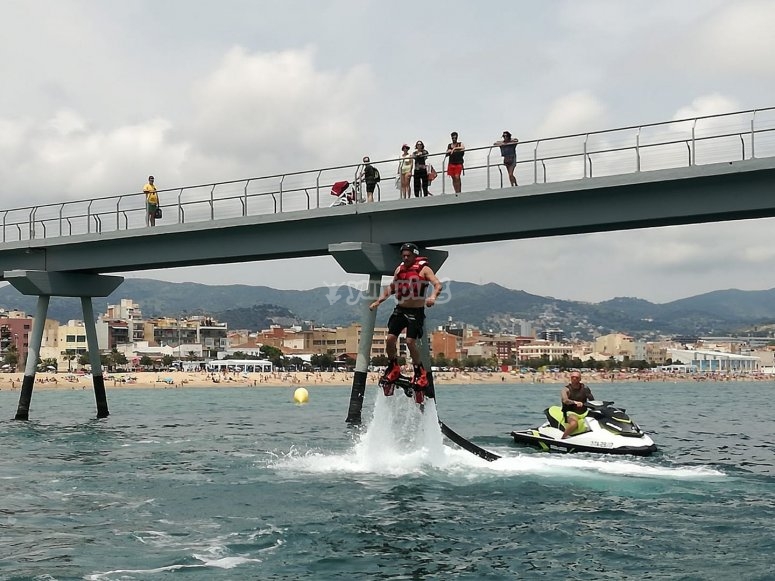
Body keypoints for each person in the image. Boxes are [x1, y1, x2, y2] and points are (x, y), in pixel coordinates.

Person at [369, 243, 443, 397]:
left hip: (416, 312)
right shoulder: (399, 269)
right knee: (389, 339)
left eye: (408, 255)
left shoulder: (424, 269)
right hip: (400, 310)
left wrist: (432, 297)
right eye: (403, 255)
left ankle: (419, 371)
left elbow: (438, 285)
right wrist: (378, 301)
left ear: (415, 255)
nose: (405, 258)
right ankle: (394, 366)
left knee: (410, 342)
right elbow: (391, 287)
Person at [560, 371, 595, 439]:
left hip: (584, 412)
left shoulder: (585, 388)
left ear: (580, 379)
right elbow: (565, 400)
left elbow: (592, 400)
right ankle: (563, 437)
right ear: (570, 378)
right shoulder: (566, 389)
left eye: (576, 377)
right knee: (574, 423)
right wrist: (575, 402)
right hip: (571, 412)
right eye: (573, 377)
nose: (574, 379)